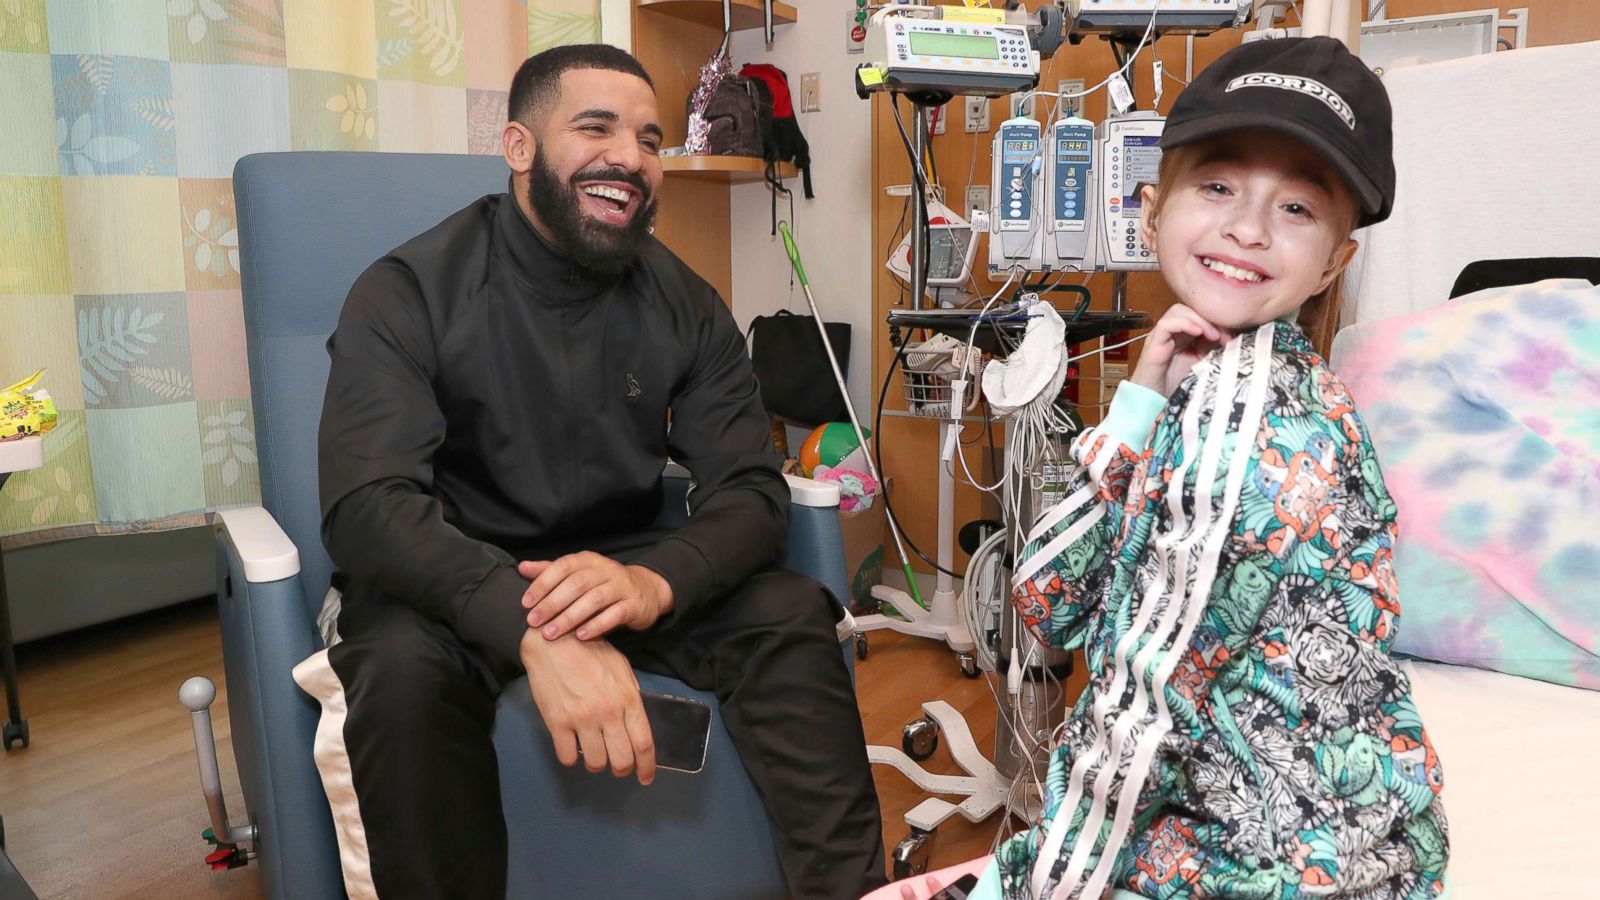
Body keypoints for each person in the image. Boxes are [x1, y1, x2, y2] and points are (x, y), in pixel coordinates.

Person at [291, 43, 887, 899]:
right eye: (595, 127)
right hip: (454, 577)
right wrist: (532, 625)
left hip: (623, 565)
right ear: (520, 147)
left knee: (790, 614)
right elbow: (367, 505)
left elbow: (752, 490)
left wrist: (656, 583)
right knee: (397, 674)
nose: (630, 158)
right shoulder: (407, 290)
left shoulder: (686, 302)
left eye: (649, 139)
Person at [894, 37, 1449, 900]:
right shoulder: (1203, 385)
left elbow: (1138, 716)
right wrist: (1137, 406)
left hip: (1295, 866)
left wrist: (1023, 883)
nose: (1249, 227)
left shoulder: (1262, 431)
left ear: (1335, 259)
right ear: (1152, 210)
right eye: (1219, 186)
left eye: (1298, 209)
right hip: (1220, 819)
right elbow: (1045, 598)